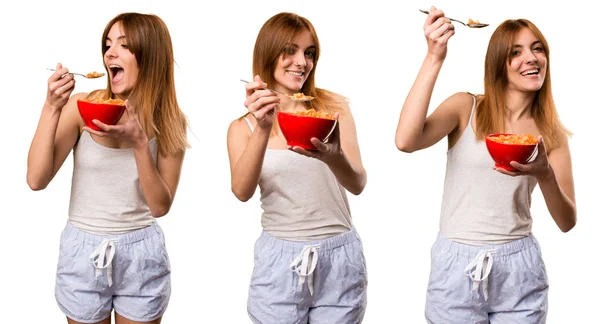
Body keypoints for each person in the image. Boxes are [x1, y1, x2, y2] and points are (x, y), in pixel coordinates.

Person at [395, 6, 577, 323]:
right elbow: (406, 141)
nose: (531, 58)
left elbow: (567, 221)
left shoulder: (551, 134)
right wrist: (434, 57)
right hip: (457, 263)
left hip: (519, 267)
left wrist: (545, 175)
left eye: (537, 48)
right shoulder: (466, 107)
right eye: (515, 52)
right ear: (498, 64)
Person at [26, 12, 187, 324]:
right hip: (82, 250)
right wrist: (51, 108)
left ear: (151, 56)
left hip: (142, 253)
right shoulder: (80, 107)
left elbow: (160, 206)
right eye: (107, 44)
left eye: (124, 45)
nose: (109, 53)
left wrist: (141, 144)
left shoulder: (169, 121)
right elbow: (35, 179)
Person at [227, 12, 368, 324]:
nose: (301, 62)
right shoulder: (243, 128)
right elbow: (241, 191)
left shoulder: (333, 111)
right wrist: (264, 126)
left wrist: (334, 157)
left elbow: (358, 183)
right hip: (280, 261)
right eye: (289, 50)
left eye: (309, 52)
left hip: (340, 256)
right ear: (268, 53)